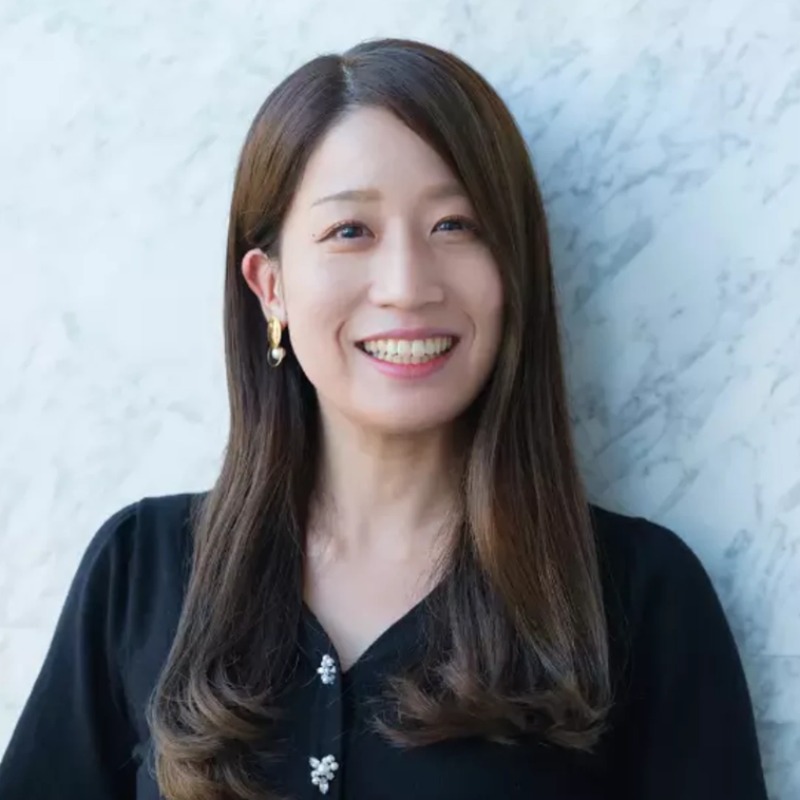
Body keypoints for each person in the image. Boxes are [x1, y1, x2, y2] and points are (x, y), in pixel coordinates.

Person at [0, 37, 768, 800]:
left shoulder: (640, 596)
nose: (406, 284)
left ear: (514, 268)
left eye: (455, 225)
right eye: (350, 232)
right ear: (270, 288)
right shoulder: (140, 572)